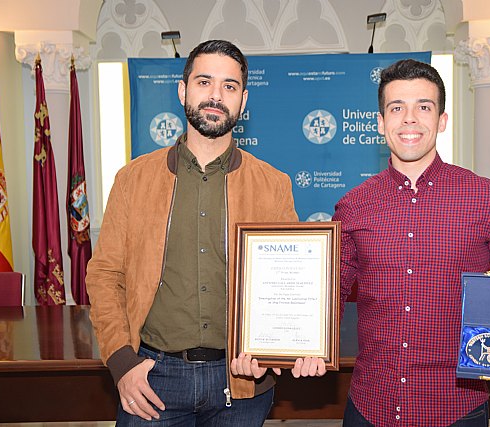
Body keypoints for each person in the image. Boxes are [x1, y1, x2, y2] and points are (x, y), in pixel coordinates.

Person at [87, 40, 323, 426]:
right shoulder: (133, 179)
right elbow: (104, 275)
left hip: (242, 381)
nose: (216, 95)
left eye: (229, 86)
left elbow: (291, 285)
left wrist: (293, 345)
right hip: (151, 376)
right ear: (183, 91)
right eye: (204, 82)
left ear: (243, 101)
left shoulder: (273, 185)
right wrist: (121, 362)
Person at [331, 59, 490, 427]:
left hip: (456, 409)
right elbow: (331, 292)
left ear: (441, 120)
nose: (409, 118)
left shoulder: (486, 198)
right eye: (396, 108)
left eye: (423, 106)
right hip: (371, 405)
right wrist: (298, 342)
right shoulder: (353, 206)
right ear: (379, 123)